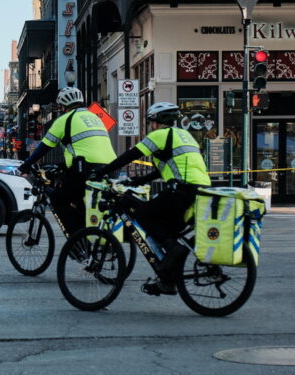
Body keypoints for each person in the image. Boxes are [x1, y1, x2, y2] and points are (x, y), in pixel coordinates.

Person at [91, 102, 212, 295]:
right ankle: (167, 278)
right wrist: (137, 180)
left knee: (142, 214)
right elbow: (162, 168)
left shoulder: (159, 135)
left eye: (150, 121)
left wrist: (101, 172)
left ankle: (173, 252)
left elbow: (130, 155)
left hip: (180, 190)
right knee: (162, 232)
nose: (150, 125)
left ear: (156, 122)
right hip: (200, 190)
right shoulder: (185, 135)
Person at [18, 87, 117, 235]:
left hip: (86, 168)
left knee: (58, 199)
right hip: (112, 166)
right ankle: (92, 237)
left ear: (63, 106)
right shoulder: (95, 117)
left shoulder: (64, 120)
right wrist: (62, 165)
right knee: (84, 203)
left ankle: (77, 238)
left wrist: (26, 164)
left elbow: (44, 147)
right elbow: (85, 146)